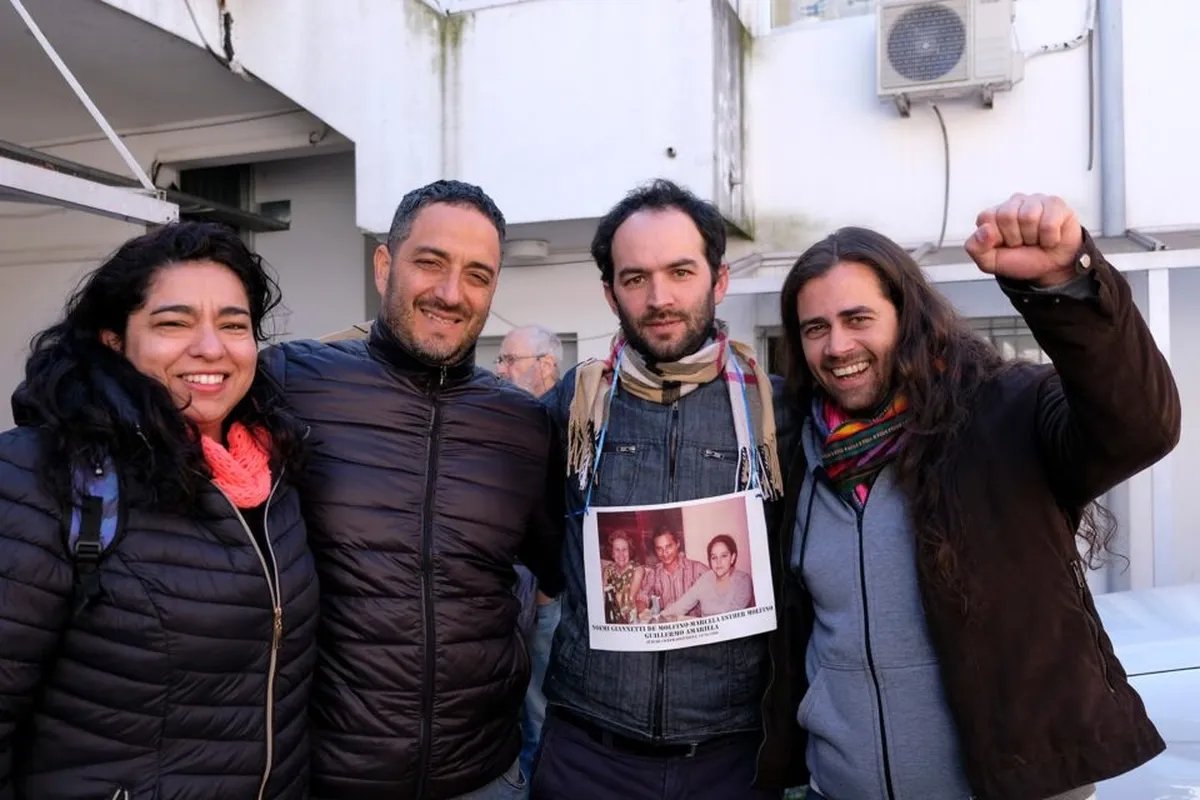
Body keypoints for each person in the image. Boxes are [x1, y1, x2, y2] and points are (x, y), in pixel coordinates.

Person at [758, 193, 1181, 800]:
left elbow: (1140, 425)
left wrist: (1066, 286)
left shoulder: (1001, 410)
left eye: (858, 319)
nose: (837, 347)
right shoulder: (795, 451)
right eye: (815, 329)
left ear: (906, 317)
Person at [264, 179, 562, 800]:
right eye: (430, 262)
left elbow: (560, 565)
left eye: (477, 275)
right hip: (330, 778)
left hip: (485, 776)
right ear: (383, 265)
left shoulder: (522, 423)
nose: (452, 294)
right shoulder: (292, 381)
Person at [0, 222, 317, 799]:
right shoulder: (41, 475)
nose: (211, 348)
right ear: (114, 341)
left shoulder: (274, 475)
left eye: (233, 325)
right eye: (173, 323)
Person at [533, 179, 791, 800]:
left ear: (718, 280)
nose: (659, 297)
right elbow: (542, 543)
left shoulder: (774, 410)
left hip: (731, 753)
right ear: (609, 291)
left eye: (680, 271)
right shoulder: (573, 407)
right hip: (589, 750)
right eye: (635, 278)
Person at [495, 324, 566, 788]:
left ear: (545, 366)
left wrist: (546, 593)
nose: (498, 369)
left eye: (509, 360)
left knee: (540, 714)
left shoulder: (567, 422)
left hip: (545, 600)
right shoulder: (509, 421)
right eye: (499, 359)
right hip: (505, 599)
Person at [659, 535, 754, 619]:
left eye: (724, 556)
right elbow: (682, 604)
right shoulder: (705, 579)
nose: (718, 562)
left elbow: (730, 619)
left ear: (732, 558)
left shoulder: (743, 580)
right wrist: (660, 616)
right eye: (714, 557)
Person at [636, 526, 708, 619]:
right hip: (668, 625)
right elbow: (642, 597)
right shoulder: (654, 573)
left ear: (677, 544)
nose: (664, 553)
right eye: (659, 549)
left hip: (691, 626)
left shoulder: (696, 568)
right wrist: (645, 612)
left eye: (668, 546)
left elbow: (718, 582)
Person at [601, 532, 645, 624]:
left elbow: (630, 599)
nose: (621, 554)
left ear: (630, 551)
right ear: (612, 553)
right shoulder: (607, 570)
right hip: (612, 617)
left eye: (624, 549)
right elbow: (604, 597)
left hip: (631, 617)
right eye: (617, 550)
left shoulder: (637, 570)